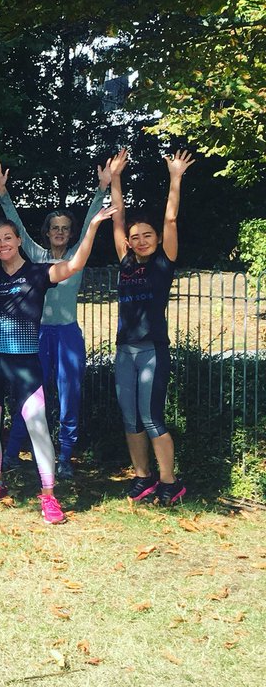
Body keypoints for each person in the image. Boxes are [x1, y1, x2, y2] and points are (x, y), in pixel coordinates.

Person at [0, 196, 114, 524]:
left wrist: (94, 226)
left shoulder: (38, 273)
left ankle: (49, 495)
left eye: (7, 238)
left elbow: (75, 265)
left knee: (38, 425)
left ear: (18, 242)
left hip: (25, 361)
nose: (1, 244)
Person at [0, 157, 119, 478]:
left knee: (69, 396)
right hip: (39, 336)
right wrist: (3, 193)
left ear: (70, 233)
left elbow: (92, 219)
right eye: (55, 228)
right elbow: (15, 226)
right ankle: (13, 454)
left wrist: (103, 187)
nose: (60, 233)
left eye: (65, 229)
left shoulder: (78, 255)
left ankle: (64, 457)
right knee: (29, 396)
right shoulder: (35, 255)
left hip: (68, 336)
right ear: (46, 233)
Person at [110, 150, 195, 505]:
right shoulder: (126, 260)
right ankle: (141, 477)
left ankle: (169, 482)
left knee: (150, 416)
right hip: (124, 349)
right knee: (130, 418)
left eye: (148, 234)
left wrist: (175, 178)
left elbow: (171, 220)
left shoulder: (163, 263)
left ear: (157, 239)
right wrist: (114, 178)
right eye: (136, 236)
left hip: (152, 350)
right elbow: (117, 220)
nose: (141, 239)